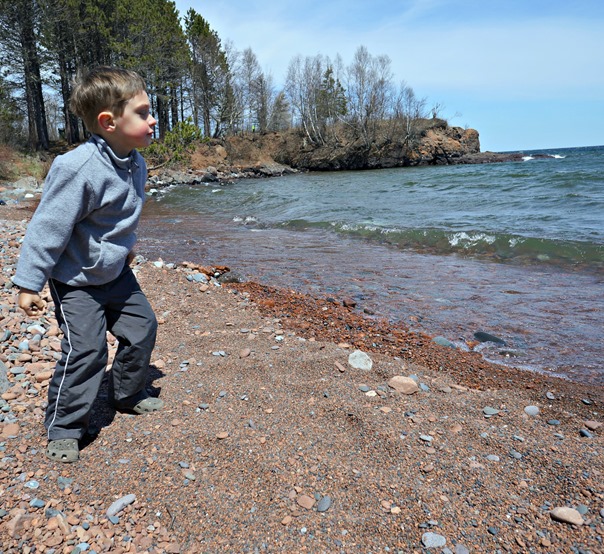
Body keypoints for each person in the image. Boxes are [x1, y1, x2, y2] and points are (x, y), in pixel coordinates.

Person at [13, 66, 163, 463]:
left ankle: (128, 393)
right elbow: (47, 227)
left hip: (116, 274)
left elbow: (122, 216)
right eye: (144, 112)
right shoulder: (77, 168)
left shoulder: (136, 163)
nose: (153, 120)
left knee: (142, 327)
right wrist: (29, 283)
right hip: (75, 281)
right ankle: (63, 426)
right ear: (108, 122)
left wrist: (126, 248)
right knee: (87, 350)